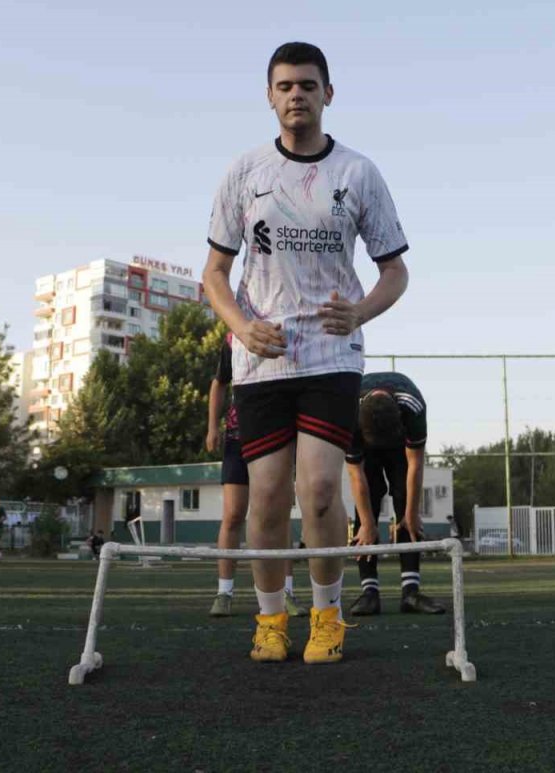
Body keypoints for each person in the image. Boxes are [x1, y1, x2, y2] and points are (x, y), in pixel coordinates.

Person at [203, 41, 410, 664]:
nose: (297, 95)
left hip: (331, 355)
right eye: (285, 85)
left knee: (319, 490)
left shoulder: (358, 173)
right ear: (270, 96)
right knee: (265, 497)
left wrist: (361, 311)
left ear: (328, 94)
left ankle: (327, 615)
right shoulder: (244, 173)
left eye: (308, 85)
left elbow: (395, 272)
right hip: (261, 359)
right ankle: (270, 620)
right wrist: (241, 326)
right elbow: (213, 273)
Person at [206, 333, 307, 618]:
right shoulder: (235, 337)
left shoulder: (290, 330)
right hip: (239, 436)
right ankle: (224, 592)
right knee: (234, 514)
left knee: (278, 514)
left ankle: (286, 591)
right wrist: (212, 427)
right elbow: (219, 383)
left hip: (277, 433)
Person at [346, 372, 445, 615]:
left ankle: (410, 592)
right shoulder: (348, 412)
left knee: (405, 504)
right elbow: (356, 475)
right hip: (367, 445)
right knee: (365, 511)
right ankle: (370, 593)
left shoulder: (412, 406)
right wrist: (368, 524)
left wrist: (411, 513)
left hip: (399, 448)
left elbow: (415, 465)